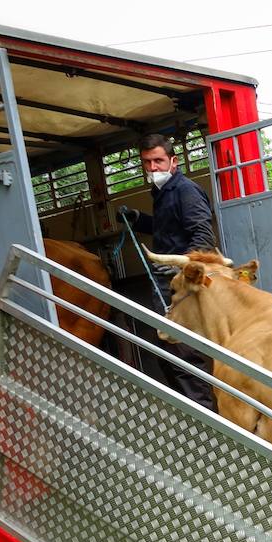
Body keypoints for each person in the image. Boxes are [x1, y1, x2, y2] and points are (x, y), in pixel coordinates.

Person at [118, 132, 217, 410]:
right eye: (147, 163)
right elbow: (168, 229)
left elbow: (202, 237)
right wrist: (139, 220)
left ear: (173, 161)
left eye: (158, 161)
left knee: (182, 353)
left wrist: (177, 268)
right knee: (167, 353)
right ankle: (191, 412)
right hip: (165, 284)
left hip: (181, 287)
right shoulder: (162, 193)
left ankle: (207, 419)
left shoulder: (185, 190)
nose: (153, 169)